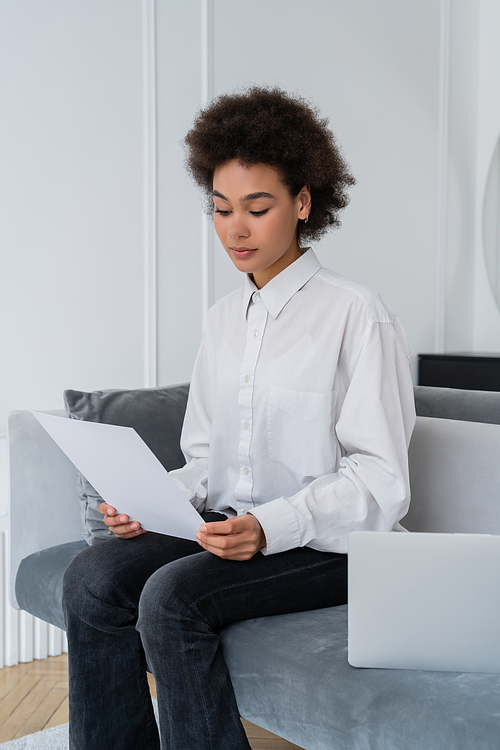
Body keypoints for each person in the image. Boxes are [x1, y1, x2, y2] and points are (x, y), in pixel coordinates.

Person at [62, 86, 416, 750]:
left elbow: (381, 482)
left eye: (258, 207)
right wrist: (152, 501)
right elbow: (205, 458)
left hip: (331, 547)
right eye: (221, 209)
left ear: (303, 203)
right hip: (229, 533)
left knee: (171, 600)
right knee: (93, 577)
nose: (236, 229)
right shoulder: (224, 320)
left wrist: (268, 526)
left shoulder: (355, 314)